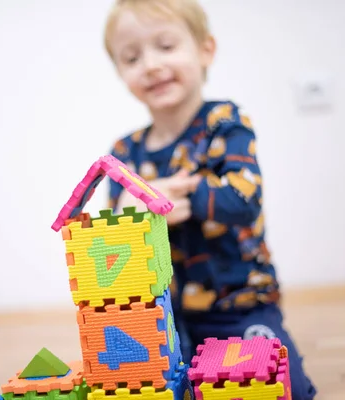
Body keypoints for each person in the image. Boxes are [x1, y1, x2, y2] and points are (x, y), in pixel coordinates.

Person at [103, 1, 317, 399]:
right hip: (162, 318)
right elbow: (112, 237)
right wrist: (142, 213)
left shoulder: (225, 122)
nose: (150, 64)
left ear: (205, 50)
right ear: (121, 72)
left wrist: (188, 195)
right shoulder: (124, 152)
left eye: (165, 46)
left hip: (241, 306)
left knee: (287, 389)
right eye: (132, 57)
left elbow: (243, 199)